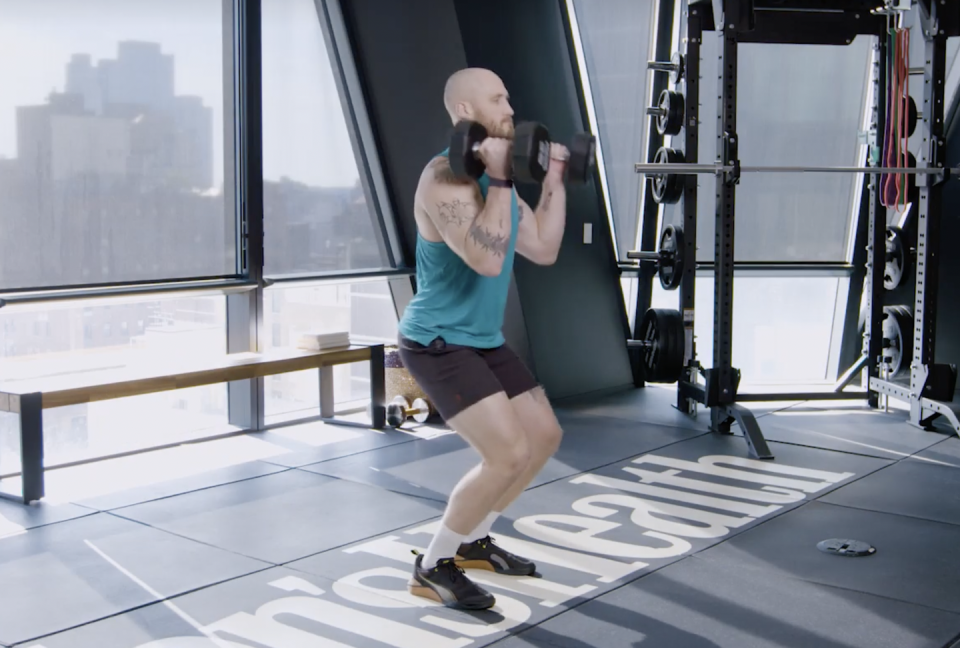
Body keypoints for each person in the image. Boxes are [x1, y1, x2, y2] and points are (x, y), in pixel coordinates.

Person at [396, 67, 568, 610]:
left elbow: (541, 247)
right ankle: (432, 566)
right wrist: (504, 180)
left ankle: (471, 541)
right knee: (506, 452)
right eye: (498, 98)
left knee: (542, 437)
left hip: (482, 339)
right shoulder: (445, 178)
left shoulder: (495, 180)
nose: (510, 107)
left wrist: (556, 182)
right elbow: (489, 260)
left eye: (509, 95)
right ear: (466, 112)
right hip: (437, 341)